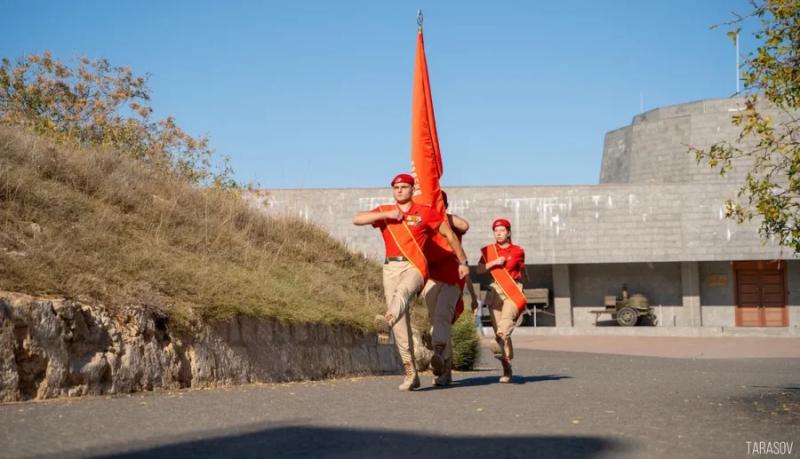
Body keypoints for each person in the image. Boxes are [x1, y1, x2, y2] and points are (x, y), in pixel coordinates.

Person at [352, 174, 468, 391]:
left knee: (403, 292)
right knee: (400, 323)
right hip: (390, 267)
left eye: (404, 187)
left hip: (415, 265)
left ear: (412, 189)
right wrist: (388, 214)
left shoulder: (424, 212)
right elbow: (356, 219)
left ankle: (388, 317)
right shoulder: (385, 211)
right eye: (396, 187)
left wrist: (462, 261)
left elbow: (451, 235)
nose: (399, 190)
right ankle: (410, 371)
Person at [421, 191, 479, 386]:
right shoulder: (423, 220)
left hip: (452, 279)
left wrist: (441, 214)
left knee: (441, 319)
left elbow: (465, 225)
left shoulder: (451, 223)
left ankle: (438, 355)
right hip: (432, 277)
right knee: (436, 323)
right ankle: (445, 370)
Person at [476, 218, 528, 383]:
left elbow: (522, 268)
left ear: (509, 232)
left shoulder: (518, 250)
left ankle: (498, 339)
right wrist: (493, 263)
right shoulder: (489, 251)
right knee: (499, 328)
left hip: (513, 290)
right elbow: (479, 270)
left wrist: (523, 287)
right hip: (496, 291)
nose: (498, 233)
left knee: (505, 323)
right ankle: (507, 366)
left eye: (502, 230)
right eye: (496, 231)